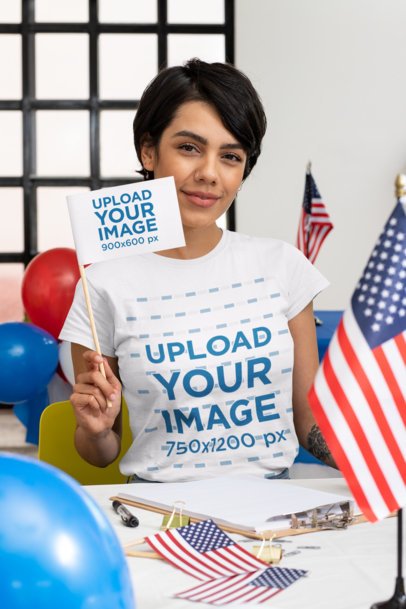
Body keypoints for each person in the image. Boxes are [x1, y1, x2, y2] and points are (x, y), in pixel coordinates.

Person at [60, 58, 335, 482]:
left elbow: (309, 423)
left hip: (272, 511)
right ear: (148, 151)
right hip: (157, 510)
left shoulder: (283, 266)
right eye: (189, 148)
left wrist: (384, 456)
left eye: (230, 156)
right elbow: (102, 452)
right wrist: (94, 429)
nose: (209, 173)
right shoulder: (103, 283)